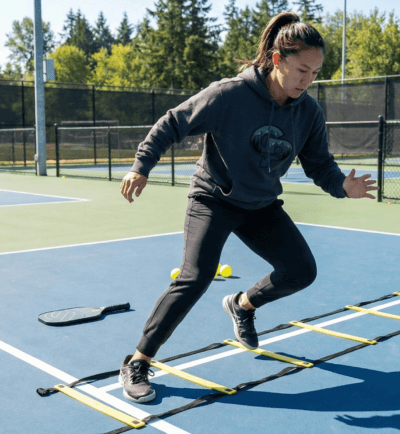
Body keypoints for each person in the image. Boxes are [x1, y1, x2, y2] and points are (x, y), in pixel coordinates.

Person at [116, 12, 378, 403]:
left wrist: (343, 186)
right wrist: (142, 166)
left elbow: (319, 165)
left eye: (315, 73)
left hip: (260, 205)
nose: (307, 81)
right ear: (277, 60)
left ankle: (242, 305)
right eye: (302, 70)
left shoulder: (308, 112)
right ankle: (137, 361)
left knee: (301, 270)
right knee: (195, 277)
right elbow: (174, 121)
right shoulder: (230, 94)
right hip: (214, 199)